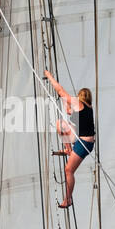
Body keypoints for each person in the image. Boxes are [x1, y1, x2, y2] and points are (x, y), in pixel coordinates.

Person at [43, 70, 94, 210]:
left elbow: (60, 90)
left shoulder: (80, 104)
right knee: (60, 124)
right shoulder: (87, 107)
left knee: (68, 170)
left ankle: (68, 199)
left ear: (80, 97)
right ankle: (68, 149)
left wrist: (49, 76)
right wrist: (67, 106)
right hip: (81, 140)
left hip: (84, 143)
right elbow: (71, 112)